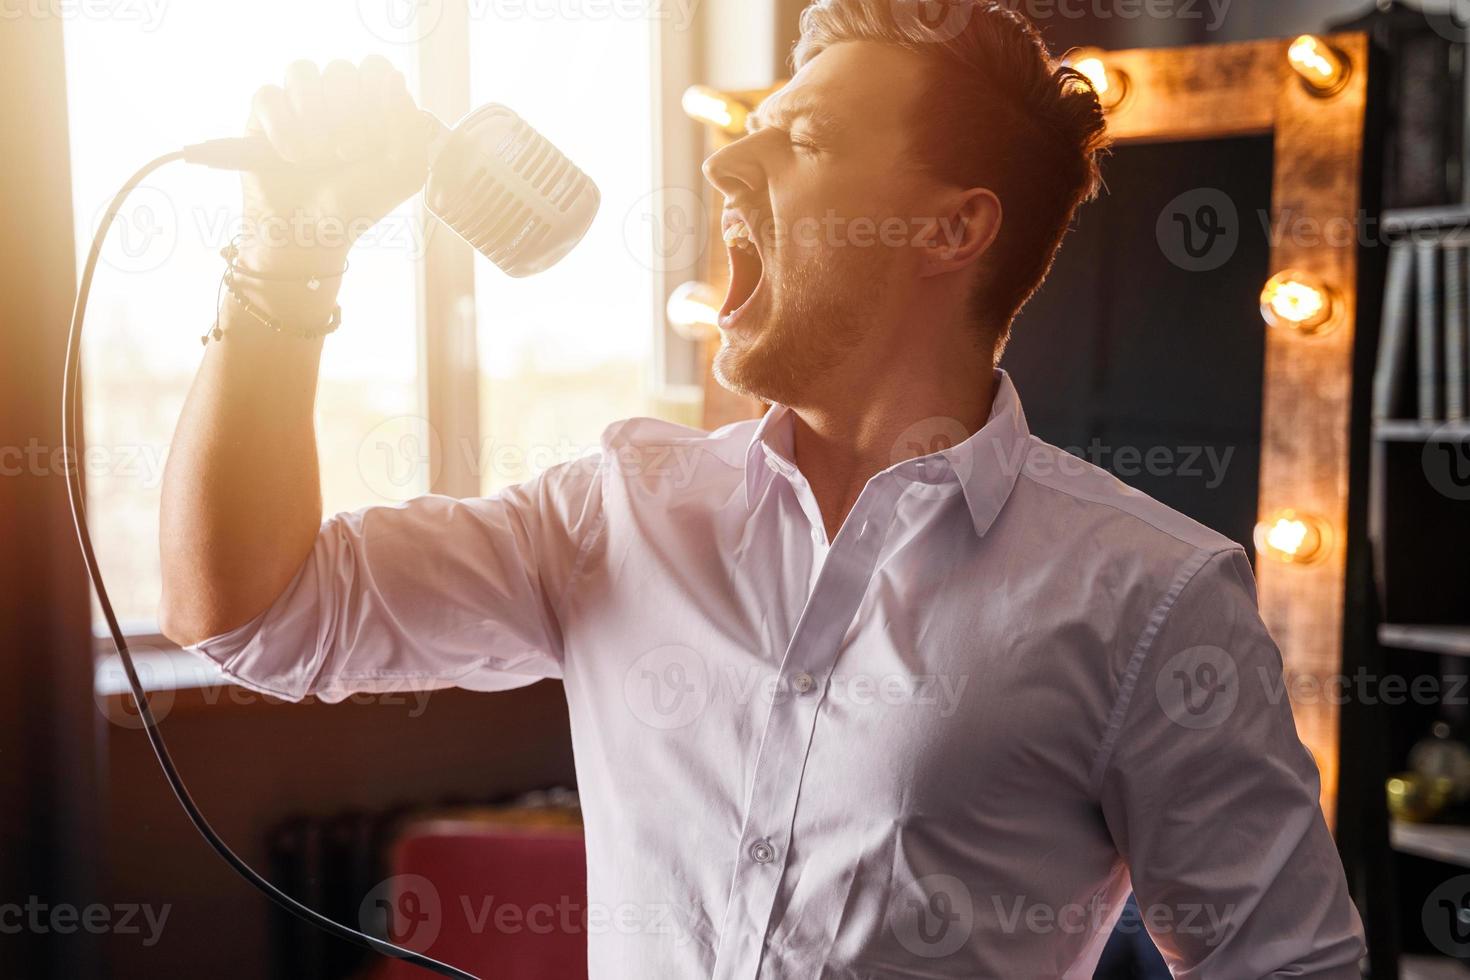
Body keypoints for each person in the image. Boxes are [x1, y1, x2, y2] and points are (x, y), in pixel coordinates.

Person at [160, 1, 1367, 976]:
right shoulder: (617, 510)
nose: (728, 154)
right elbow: (256, 614)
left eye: (804, 139)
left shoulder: (1151, 595)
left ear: (951, 230)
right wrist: (287, 251)